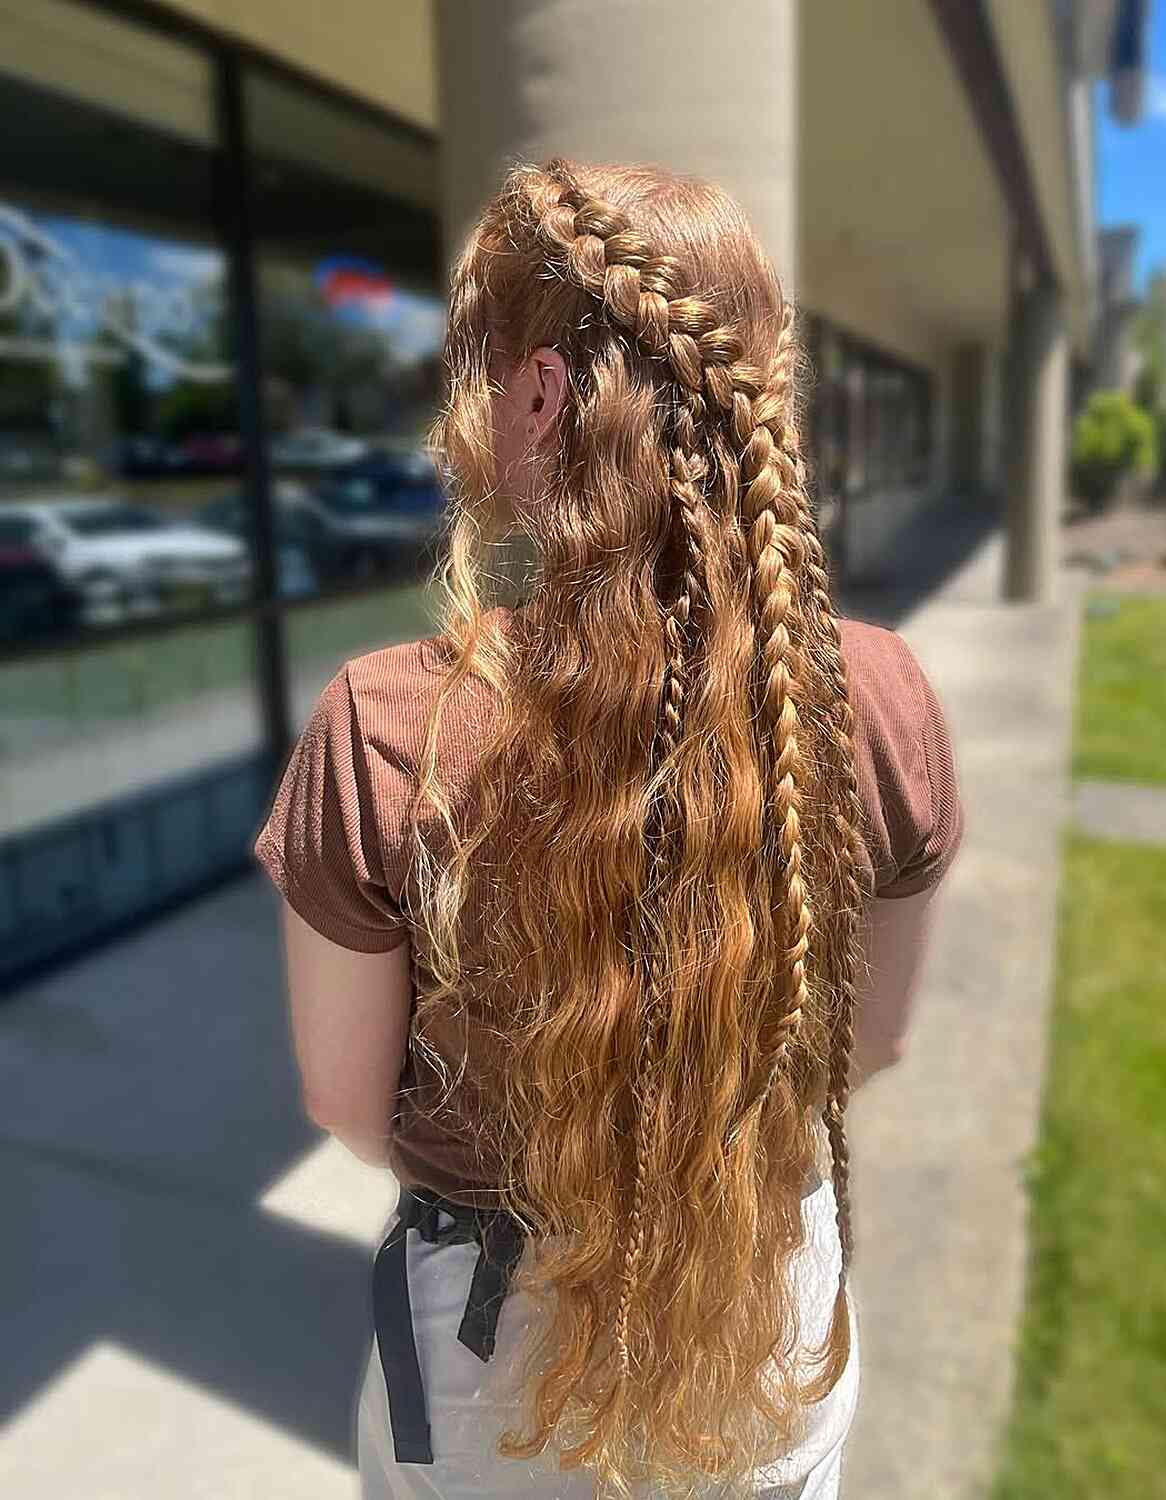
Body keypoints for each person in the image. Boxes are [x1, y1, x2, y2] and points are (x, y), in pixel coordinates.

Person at [255, 159, 963, 1500]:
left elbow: (344, 1105)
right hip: (772, 1303)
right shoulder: (877, 695)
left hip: (497, 1350)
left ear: (530, 395)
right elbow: (873, 1040)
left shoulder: (386, 727)